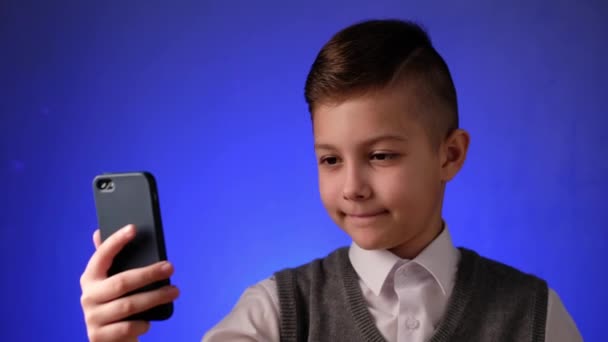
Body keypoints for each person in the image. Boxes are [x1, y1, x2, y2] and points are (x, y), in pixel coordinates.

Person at [79, 19, 582, 342]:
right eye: (330, 160)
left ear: (450, 155)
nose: (352, 187)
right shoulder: (276, 313)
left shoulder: (535, 316)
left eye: (381, 155)